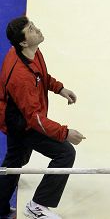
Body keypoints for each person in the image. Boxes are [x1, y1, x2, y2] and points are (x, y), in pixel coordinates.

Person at [0, 16, 85, 219]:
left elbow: (41, 75)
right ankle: (37, 205)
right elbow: (35, 119)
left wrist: (59, 88)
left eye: (34, 26)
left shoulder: (31, 52)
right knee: (64, 153)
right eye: (31, 30)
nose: (37, 30)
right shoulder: (20, 76)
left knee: (14, 162)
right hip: (21, 124)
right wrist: (65, 133)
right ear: (23, 42)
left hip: (21, 117)